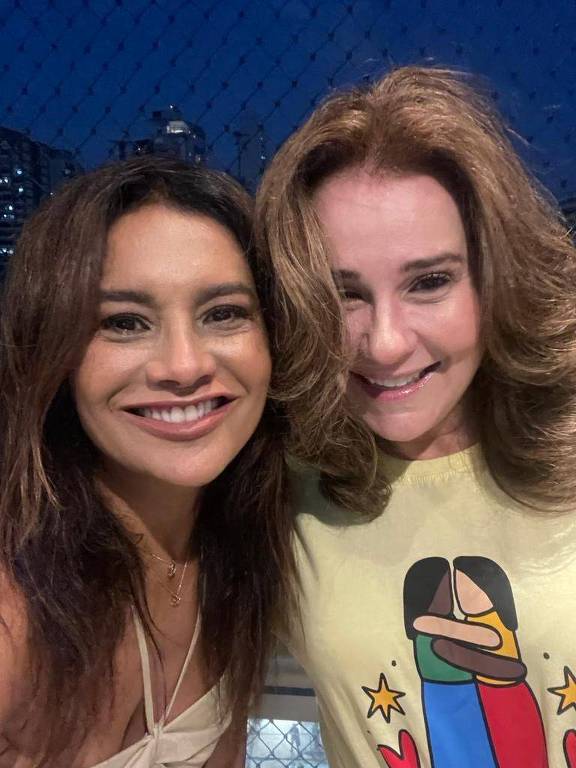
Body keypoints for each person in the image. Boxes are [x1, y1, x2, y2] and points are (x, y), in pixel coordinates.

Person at [256, 66, 576, 767]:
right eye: (343, 295)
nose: (386, 344)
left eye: (429, 282)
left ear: (497, 277)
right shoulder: (276, 487)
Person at [0, 156, 297, 767]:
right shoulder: (16, 609)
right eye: (124, 322)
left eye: (223, 313)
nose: (184, 366)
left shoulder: (245, 546)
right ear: (54, 353)